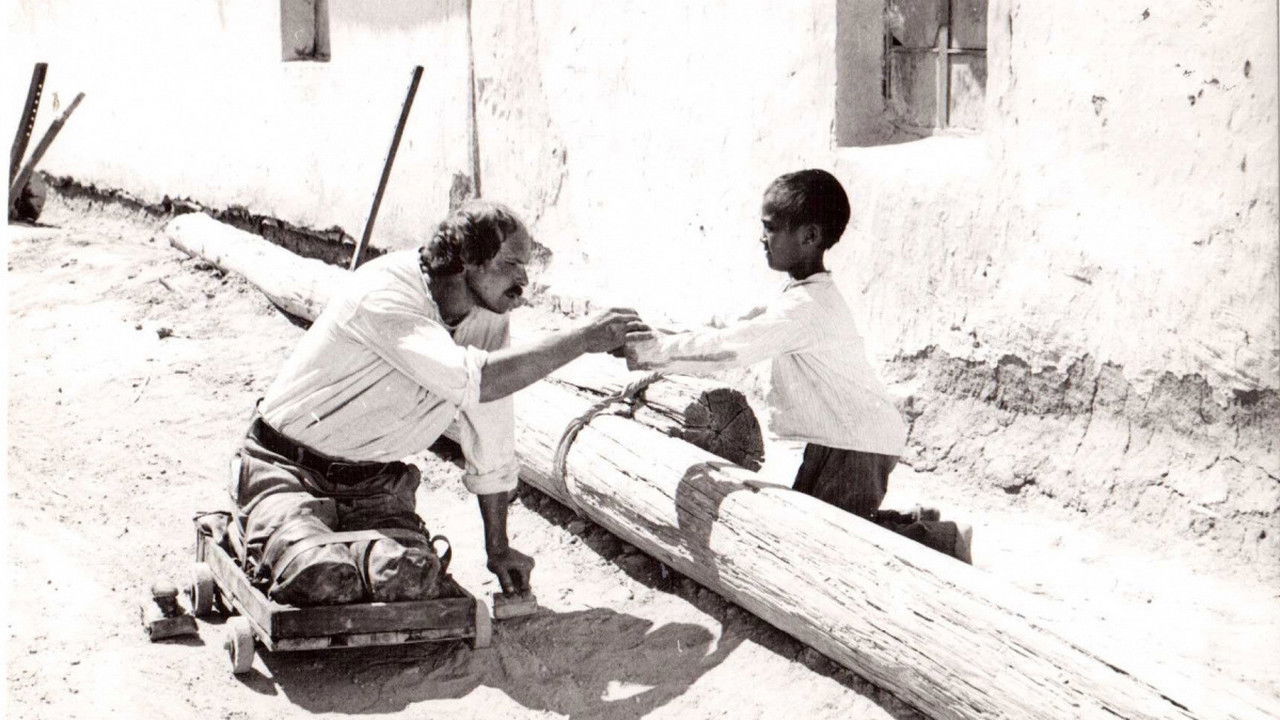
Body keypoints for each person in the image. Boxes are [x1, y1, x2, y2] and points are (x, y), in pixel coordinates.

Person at [231, 200, 648, 605]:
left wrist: (498, 548)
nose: (523, 279)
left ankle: (340, 550)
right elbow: (476, 379)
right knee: (321, 579)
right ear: (466, 260)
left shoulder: (487, 315)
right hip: (286, 470)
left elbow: (490, 424)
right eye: (511, 264)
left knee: (410, 580)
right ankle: (259, 531)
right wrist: (582, 339)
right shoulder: (385, 293)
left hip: (374, 487)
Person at [625, 169, 971, 562]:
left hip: (858, 444)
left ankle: (941, 540)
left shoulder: (805, 309)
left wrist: (652, 351)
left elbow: (730, 348)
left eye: (771, 228)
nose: (762, 237)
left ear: (809, 237)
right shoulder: (800, 296)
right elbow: (730, 328)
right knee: (807, 524)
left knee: (829, 546)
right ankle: (917, 522)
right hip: (838, 438)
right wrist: (653, 337)